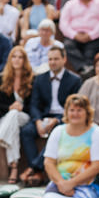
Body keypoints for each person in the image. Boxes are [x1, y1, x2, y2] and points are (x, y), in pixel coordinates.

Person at [19, 46, 81, 186]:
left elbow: (75, 106)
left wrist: (58, 120)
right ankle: (38, 171)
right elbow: (34, 104)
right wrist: (37, 121)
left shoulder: (74, 80)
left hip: (65, 118)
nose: (53, 62)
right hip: (44, 116)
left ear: (64, 59)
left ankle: (34, 167)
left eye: (56, 59)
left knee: (59, 131)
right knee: (26, 131)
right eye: (50, 59)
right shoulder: (40, 79)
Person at [0, 46, 33, 184]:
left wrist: (21, 107)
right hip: (8, 117)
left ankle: (1, 135)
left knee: (16, 115)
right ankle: (14, 166)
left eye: (20, 57)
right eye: (14, 57)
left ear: (24, 60)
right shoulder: (2, 78)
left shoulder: (31, 79)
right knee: (13, 122)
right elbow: (0, 105)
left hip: (24, 116)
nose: (17, 60)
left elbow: (33, 104)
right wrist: (11, 107)